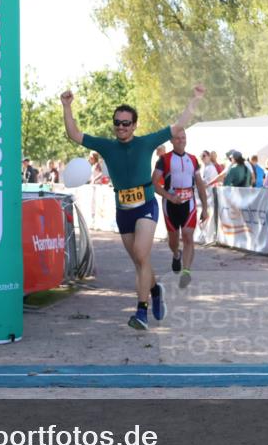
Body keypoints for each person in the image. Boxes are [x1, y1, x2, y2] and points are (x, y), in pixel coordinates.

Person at [63, 84, 206, 330]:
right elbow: (74, 134)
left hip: (146, 207)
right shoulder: (107, 146)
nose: (121, 127)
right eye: (117, 122)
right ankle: (155, 290)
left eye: (126, 123)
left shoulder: (146, 142)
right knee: (140, 263)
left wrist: (195, 99)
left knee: (141, 254)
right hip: (123, 211)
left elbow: (179, 125)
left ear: (134, 125)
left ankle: (141, 312)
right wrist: (66, 106)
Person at [152, 130, 209, 288]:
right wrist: (169, 197)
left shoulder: (192, 159)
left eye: (183, 138)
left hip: (189, 203)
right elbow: (154, 183)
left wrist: (205, 208)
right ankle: (176, 254)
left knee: (188, 236)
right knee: (173, 241)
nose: (181, 141)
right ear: (171, 140)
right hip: (170, 205)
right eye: (177, 138)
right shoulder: (164, 159)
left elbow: (199, 184)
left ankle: (186, 272)